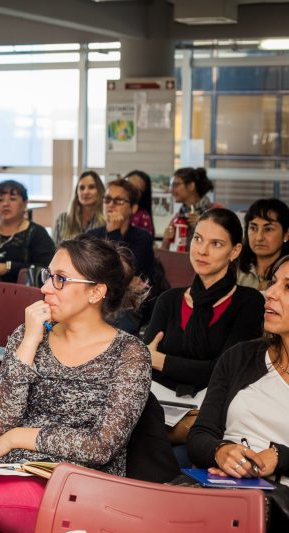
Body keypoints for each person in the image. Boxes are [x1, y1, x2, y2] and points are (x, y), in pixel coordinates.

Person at [0, 235, 150, 533]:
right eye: (49, 276)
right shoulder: (29, 334)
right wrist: (30, 343)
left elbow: (101, 446)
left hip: (81, 488)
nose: (46, 287)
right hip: (14, 472)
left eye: (60, 279)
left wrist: (17, 437)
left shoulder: (129, 353)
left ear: (96, 292)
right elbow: (0, 420)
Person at [187, 255, 289, 532]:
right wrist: (221, 451)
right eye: (273, 283)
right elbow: (199, 435)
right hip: (221, 487)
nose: (269, 293)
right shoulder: (240, 357)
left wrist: (279, 456)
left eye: (287, 287)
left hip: (277, 501)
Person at [145, 209, 264, 397]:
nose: (202, 251)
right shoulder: (168, 300)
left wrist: (161, 361)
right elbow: (143, 364)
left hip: (216, 409)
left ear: (234, 251)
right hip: (160, 404)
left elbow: (226, 372)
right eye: (198, 239)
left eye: (216, 244)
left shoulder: (249, 302)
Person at [0, 180, 55, 283]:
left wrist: (9, 267)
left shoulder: (37, 234)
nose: (5, 204)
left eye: (12, 199)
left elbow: (47, 268)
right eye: (0, 200)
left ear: (25, 204)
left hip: (23, 293)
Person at [87, 178, 155, 282]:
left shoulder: (142, 237)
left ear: (133, 208)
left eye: (119, 201)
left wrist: (114, 232)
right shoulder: (91, 236)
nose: (111, 205)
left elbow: (124, 272)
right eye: (107, 200)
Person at [161, 167, 222, 250]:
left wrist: (204, 224)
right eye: (171, 185)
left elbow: (224, 242)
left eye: (176, 184)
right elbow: (164, 251)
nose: (172, 190)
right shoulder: (178, 217)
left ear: (191, 186)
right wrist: (167, 238)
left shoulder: (217, 211)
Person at [237, 198, 289, 291]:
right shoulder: (234, 269)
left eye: (268, 229)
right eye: (253, 228)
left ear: (286, 234)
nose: (259, 237)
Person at [52, 170, 105, 244]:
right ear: (77, 193)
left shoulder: (106, 221)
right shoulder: (62, 219)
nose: (86, 192)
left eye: (91, 187)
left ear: (100, 191)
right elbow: (55, 250)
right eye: (82, 188)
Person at [124, 169, 155, 236]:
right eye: (128, 185)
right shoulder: (108, 206)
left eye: (137, 189)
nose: (130, 190)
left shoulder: (143, 217)